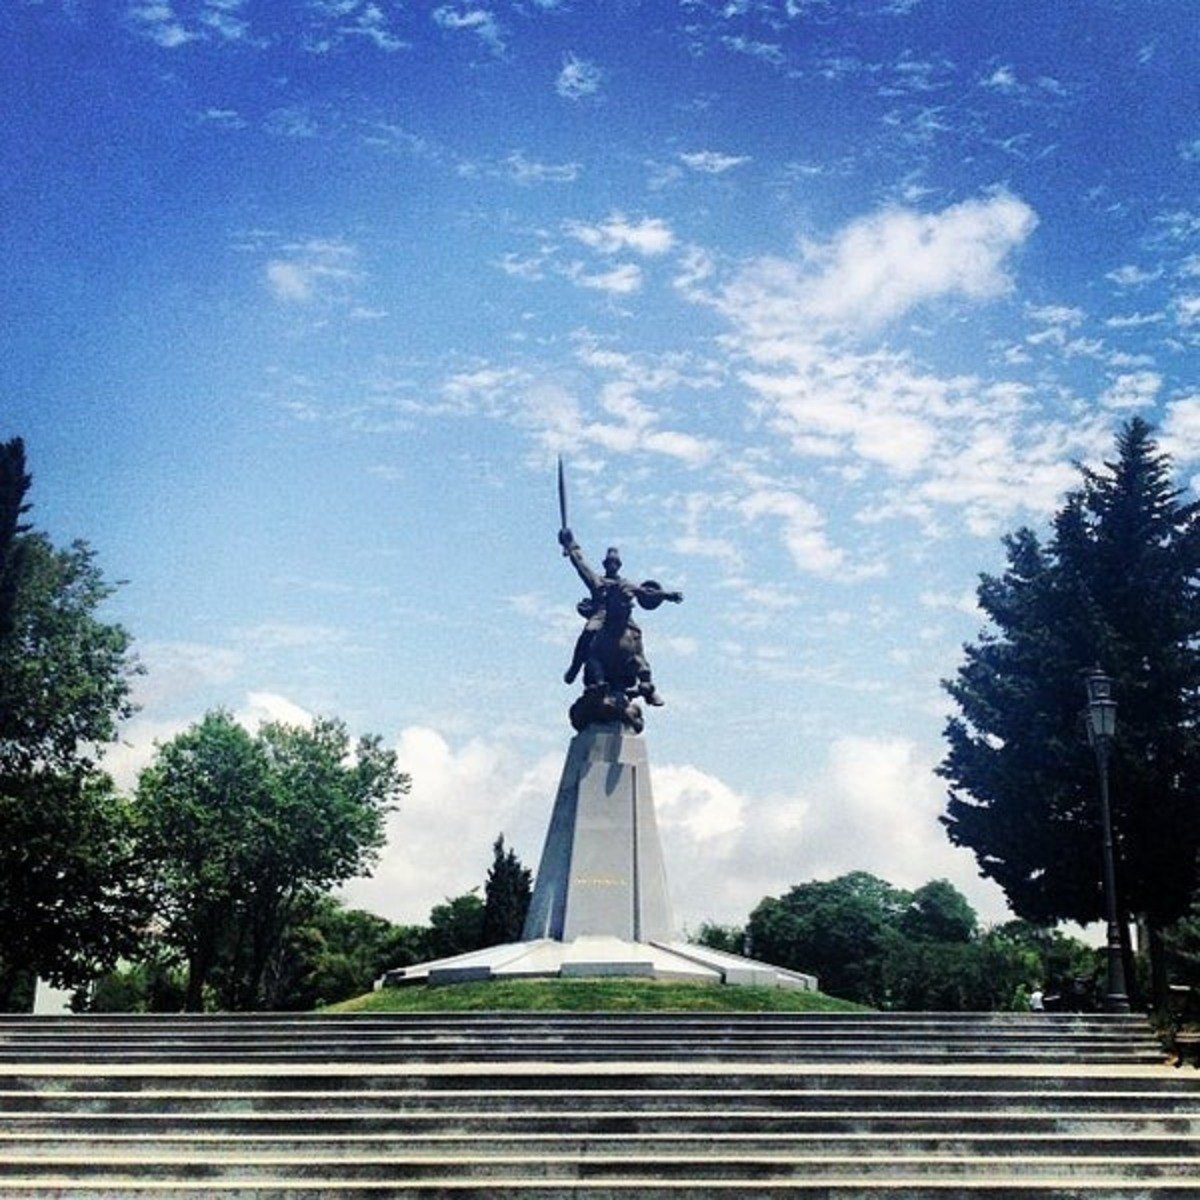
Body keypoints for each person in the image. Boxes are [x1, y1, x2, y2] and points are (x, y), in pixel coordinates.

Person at [558, 529, 681, 706]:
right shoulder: (597, 581)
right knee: (589, 632)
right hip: (601, 614)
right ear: (605, 564)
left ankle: (648, 684)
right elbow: (581, 564)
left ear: (619, 565)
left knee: (636, 635)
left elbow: (646, 591)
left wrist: (667, 595)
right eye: (609, 562)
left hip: (624, 614)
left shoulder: (625, 584)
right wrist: (570, 544)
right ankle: (574, 667)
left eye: (615, 563)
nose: (612, 565)